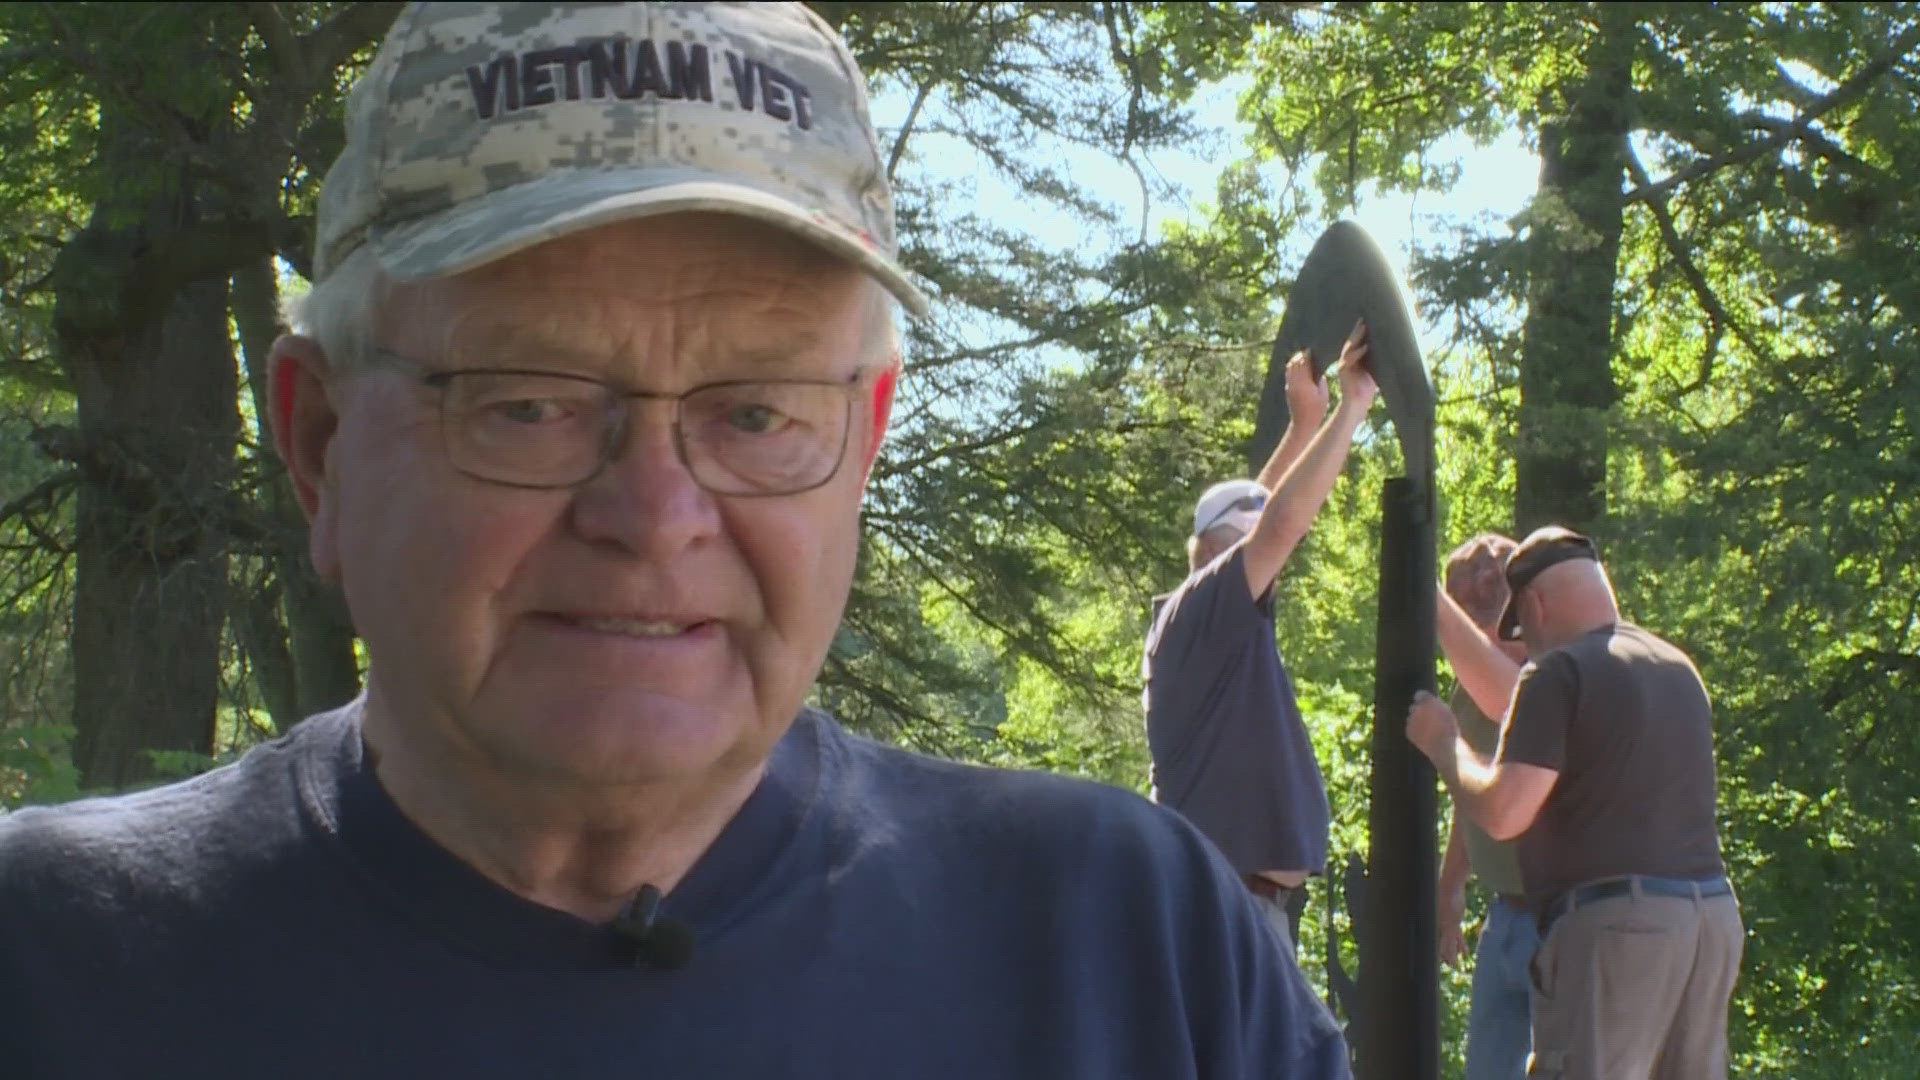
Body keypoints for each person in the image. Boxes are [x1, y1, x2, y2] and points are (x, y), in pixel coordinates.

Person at [0, 4, 1350, 1077]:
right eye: (526, 402)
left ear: (862, 445)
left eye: (756, 412)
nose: (653, 518)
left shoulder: (1129, 959)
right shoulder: (54, 968)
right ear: (319, 445)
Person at [1406, 526, 1744, 1080]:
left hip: (1619, 928)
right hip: (1710, 922)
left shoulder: (1557, 671)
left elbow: (1504, 813)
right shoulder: (1675, 666)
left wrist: (1444, 744)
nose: (1526, 643)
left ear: (1535, 605)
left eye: (1523, 627)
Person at [1143, 329, 1379, 952]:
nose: (1279, 557)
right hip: (1230, 910)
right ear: (1219, 553)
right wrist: (1352, 405)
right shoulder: (1204, 608)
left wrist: (1306, 425)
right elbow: (1276, 523)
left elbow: (1262, 509)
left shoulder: (1206, 620)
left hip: (1238, 905)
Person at [1433, 533, 1536, 1080]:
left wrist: (1443, 744)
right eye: (1465, 588)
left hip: (1566, 917)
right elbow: (1471, 791)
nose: (1480, 589)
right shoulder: (1465, 692)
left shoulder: (1553, 676)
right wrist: (1451, 887)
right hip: (1506, 916)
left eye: (1495, 578)